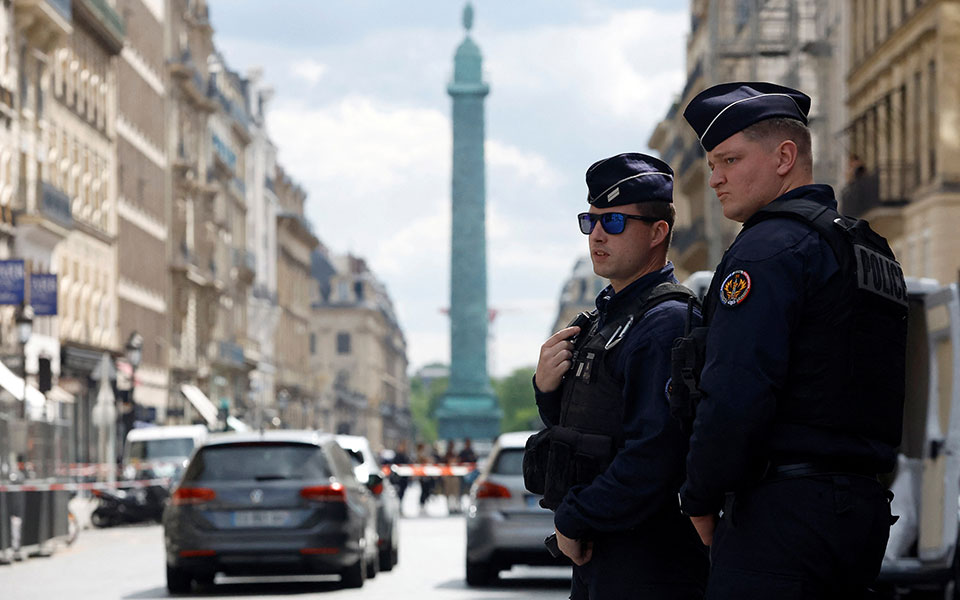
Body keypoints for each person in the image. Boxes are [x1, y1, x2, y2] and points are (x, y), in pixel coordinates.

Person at [678, 82, 907, 598]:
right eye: (711, 165)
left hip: (782, 517)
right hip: (861, 512)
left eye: (730, 160)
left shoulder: (767, 247)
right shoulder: (868, 248)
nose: (714, 179)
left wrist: (700, 496)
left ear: (784, 157)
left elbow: (735, 393)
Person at [532, 153, 709, 599]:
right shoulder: (604, 320)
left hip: (649, 559)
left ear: (658, 232)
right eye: (589, 221)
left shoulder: (666, 321)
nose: (596, 235)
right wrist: (547, 389)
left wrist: (575, 517)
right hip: (605, 552)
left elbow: (654, 455)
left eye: (613, 222)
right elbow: (586, 429)